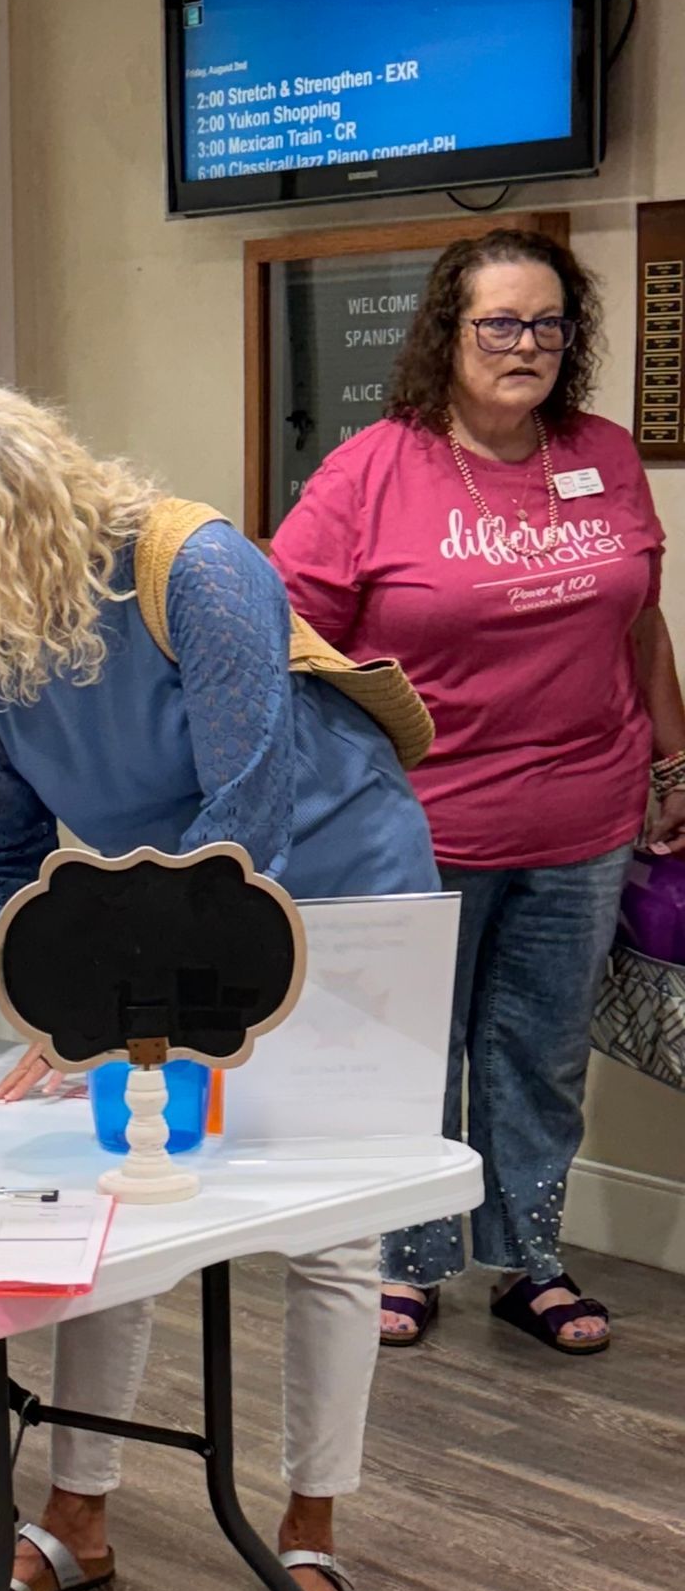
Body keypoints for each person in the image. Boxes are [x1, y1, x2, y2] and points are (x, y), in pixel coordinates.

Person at [0, 386, 441, 1591]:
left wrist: (113, 992)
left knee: (330, 1227)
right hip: (168, 906)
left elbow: (250, 822)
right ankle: (77, 1518)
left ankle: (310, 1534)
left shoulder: (202, 571)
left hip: (335, 883)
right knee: (122, 1183)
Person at [273, 230, 685, 1357]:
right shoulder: (373, 469)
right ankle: (408, 1261)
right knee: (417, 1056)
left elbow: (639, 620)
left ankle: (529, 1260)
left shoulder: (602, 452)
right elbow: (283, 633)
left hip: (585, 819)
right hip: (420, 830)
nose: (528, 345)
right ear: (447, 335)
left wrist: (672, 762)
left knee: (540, 1055)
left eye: (548, 323)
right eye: (500, 323)